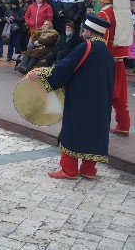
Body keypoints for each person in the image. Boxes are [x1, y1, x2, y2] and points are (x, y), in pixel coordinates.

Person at [32, 14, 115, 179]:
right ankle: (89, 170)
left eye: (84, 29)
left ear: (89, 32)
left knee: (74, 128)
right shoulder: (106, 51)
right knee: (95, 131)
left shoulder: (86, 47)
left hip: (81, 98)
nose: (82, 31)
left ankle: (68, 170)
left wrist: (42, 73)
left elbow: (65, 66)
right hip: (100, 100)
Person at [98, 0, 133, 136]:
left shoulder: (104, 14)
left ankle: (99, 127)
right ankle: (124, 126)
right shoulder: (124, 13)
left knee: (103, 94)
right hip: (120, 59)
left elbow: (101, 41)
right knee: (120, 96)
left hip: (106, 61)